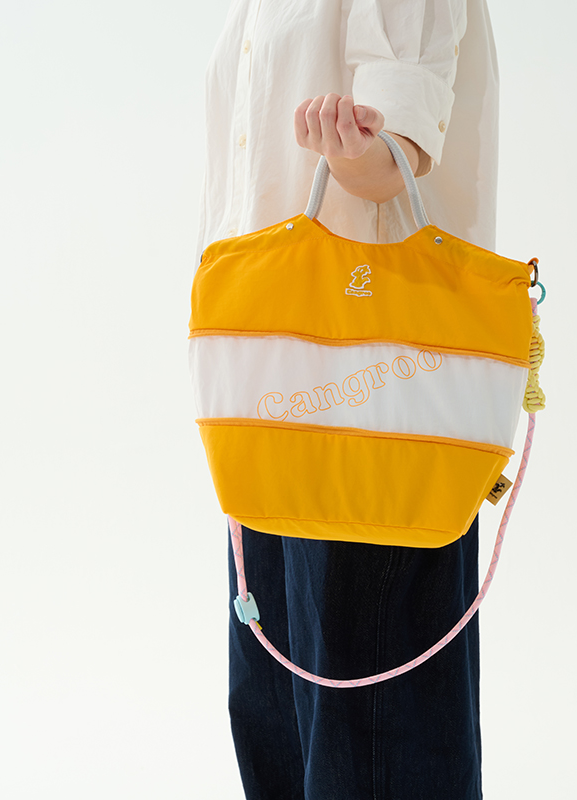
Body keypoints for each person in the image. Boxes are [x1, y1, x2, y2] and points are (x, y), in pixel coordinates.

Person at [195, 2, 500, 797]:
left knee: (370, 735)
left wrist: (359, 149)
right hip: (267, 385)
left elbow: (397, 152)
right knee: (277, 719)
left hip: (373, 392)